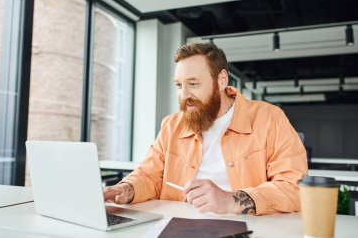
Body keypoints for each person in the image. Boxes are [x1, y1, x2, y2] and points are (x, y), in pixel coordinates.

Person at [104, 42, 308, 215]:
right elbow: (150, 175)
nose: (183, 95)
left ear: (221, 80)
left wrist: (231, 201)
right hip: (179, 227)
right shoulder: (171, 125)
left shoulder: (269, 118)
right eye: (178, 85)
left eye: (193, 84)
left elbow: (295, 187)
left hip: (248, 228)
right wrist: (126, 189)